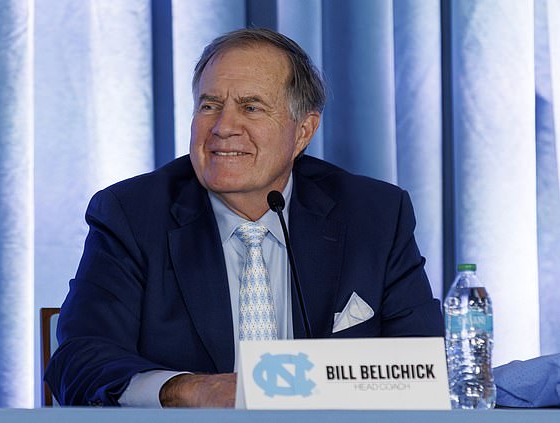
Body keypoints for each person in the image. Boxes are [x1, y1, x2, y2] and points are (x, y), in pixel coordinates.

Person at [44, 28, 444, 407]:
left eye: (251, 107)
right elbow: (79, 360)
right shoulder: (131, 214)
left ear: (303, 131)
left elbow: (424, 368)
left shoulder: (373, 214)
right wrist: (189, 390)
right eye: (209, 106)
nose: (223, 127)